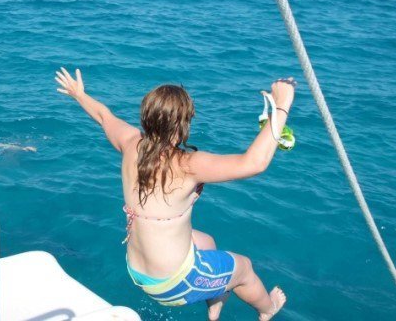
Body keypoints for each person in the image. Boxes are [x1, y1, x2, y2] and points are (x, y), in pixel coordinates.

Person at [55, 67, 292, 320]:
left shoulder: (130, 142)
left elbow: (104, 116)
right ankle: (267, 310)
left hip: (137, 271)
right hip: (175, 284)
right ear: (182, 125)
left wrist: (78, 94)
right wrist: (282, 105)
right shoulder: (187, 165)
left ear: (146, 117)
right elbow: (253, 163)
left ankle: (214, 303)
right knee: (244, 268)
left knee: (207, 242)